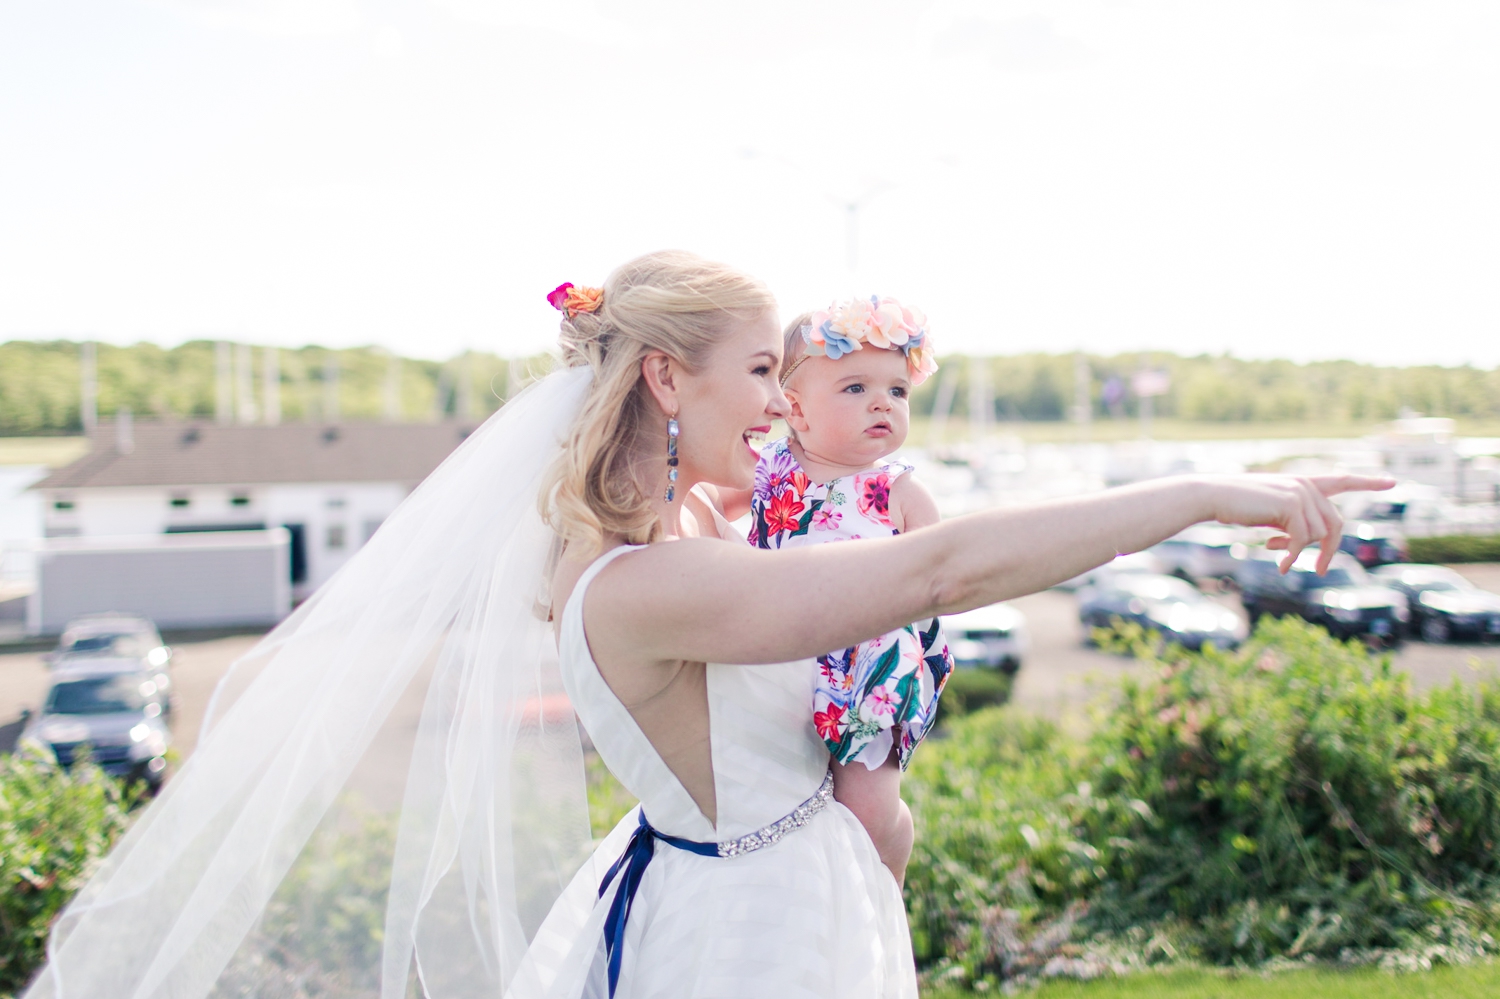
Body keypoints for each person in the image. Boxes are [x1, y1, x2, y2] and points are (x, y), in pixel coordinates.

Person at [23, 250, 1391, 999]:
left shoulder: (695, 534)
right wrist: (1209, 489)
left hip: (768, 875)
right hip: (752, 929)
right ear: (667, 380)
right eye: (759, 372)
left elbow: (895, 561)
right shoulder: (637, 579)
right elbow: (934, 576)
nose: (786, 406)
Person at [741, 297, 950, 886]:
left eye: (897, 391)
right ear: (796, 409)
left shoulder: (899, 492)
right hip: (780, 659)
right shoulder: (765, 472)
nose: (882, 402)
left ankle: (884, 873)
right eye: (855, 388)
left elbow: (943, 574)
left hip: (866, 671)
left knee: (865, 809)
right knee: (782, 801)